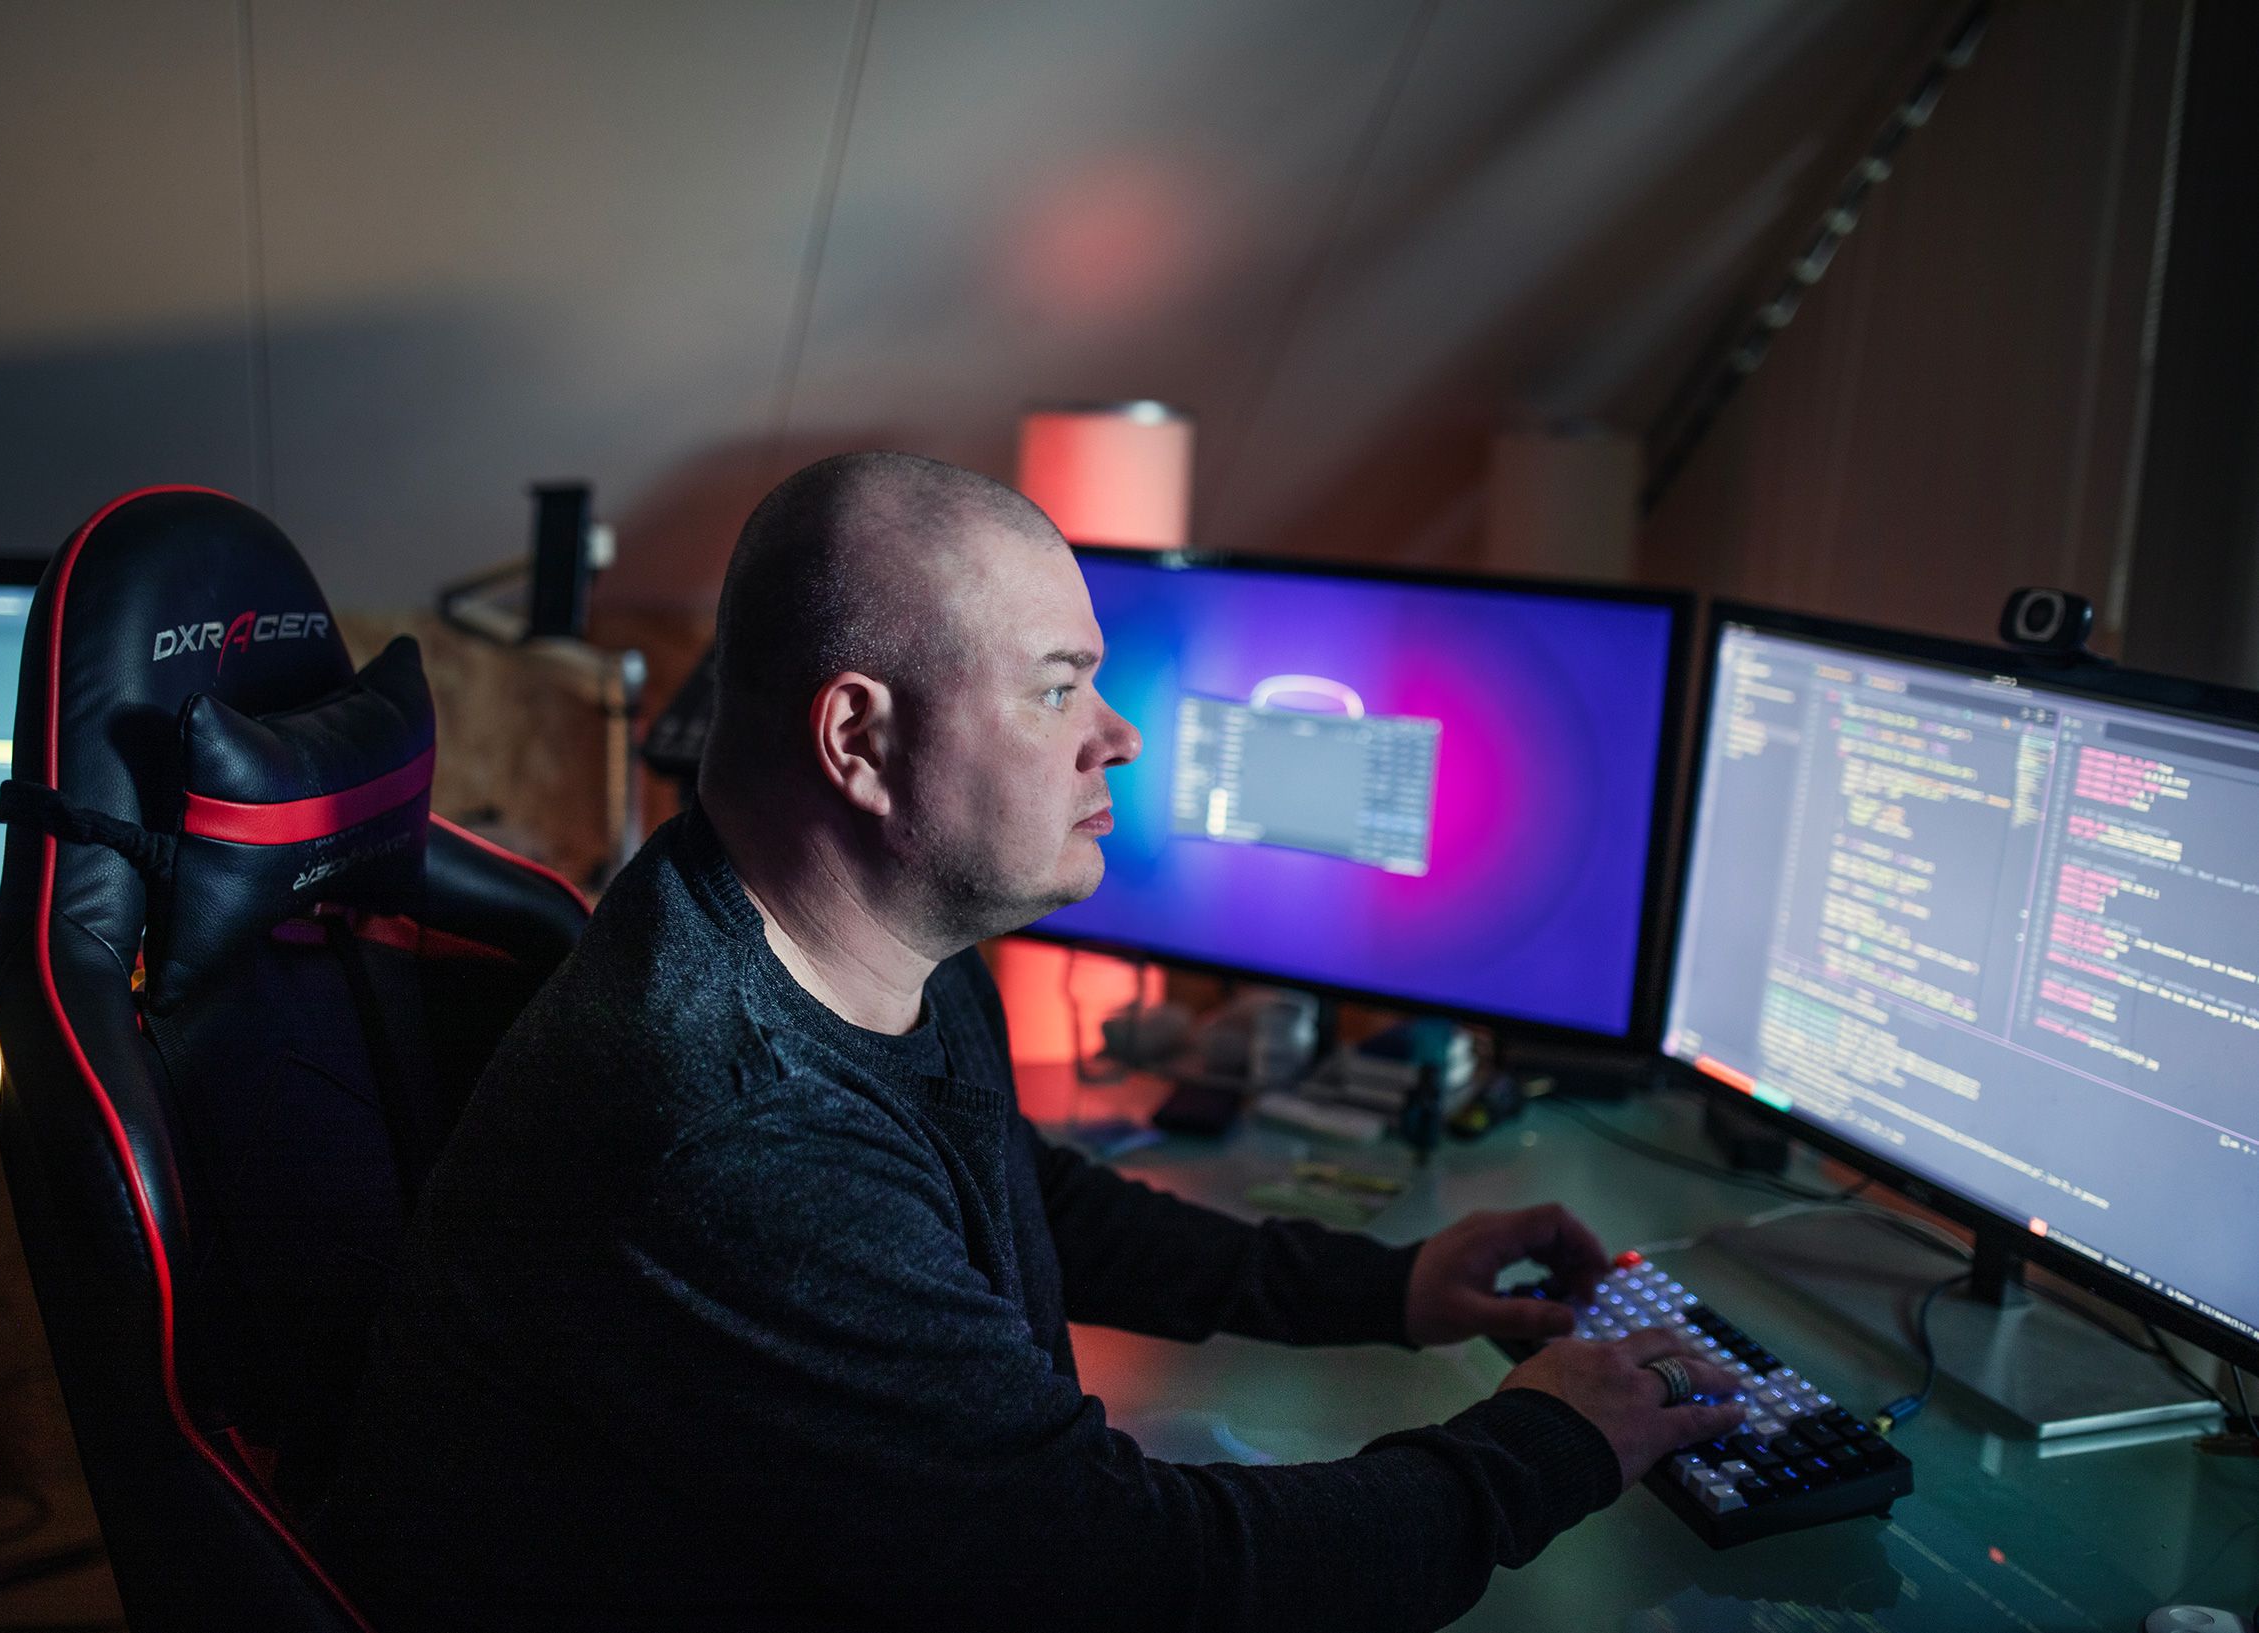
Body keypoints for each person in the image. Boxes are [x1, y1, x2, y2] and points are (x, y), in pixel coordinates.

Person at [312, 452, 1743, 1631]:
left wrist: (1385, 1286)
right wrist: (1546, 1446)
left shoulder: (852, 939)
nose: (1118, 736)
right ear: (860, 742)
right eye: (1058, 687)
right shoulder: (732, 1124)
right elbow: (1127, 1580)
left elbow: (1012, 1193)